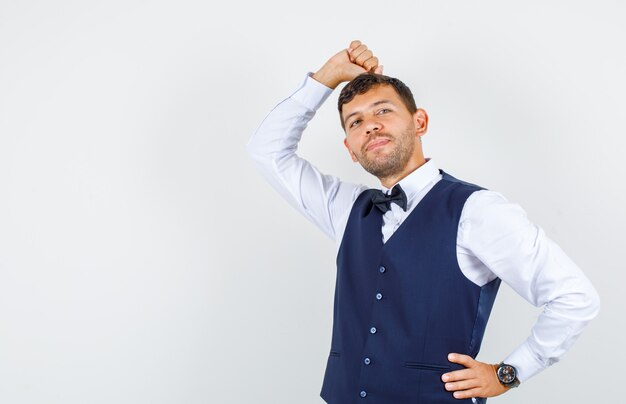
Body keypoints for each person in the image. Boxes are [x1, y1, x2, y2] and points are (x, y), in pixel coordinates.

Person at [247, 41, 600, 403]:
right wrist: (325, 77)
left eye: (383, 110)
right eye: (356, 122)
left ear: (420, 122)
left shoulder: (478, 210)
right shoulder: (346, 208)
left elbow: (574, 297)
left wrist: (509, 373)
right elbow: (267, 151)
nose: (370, 126)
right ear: (350, 150)